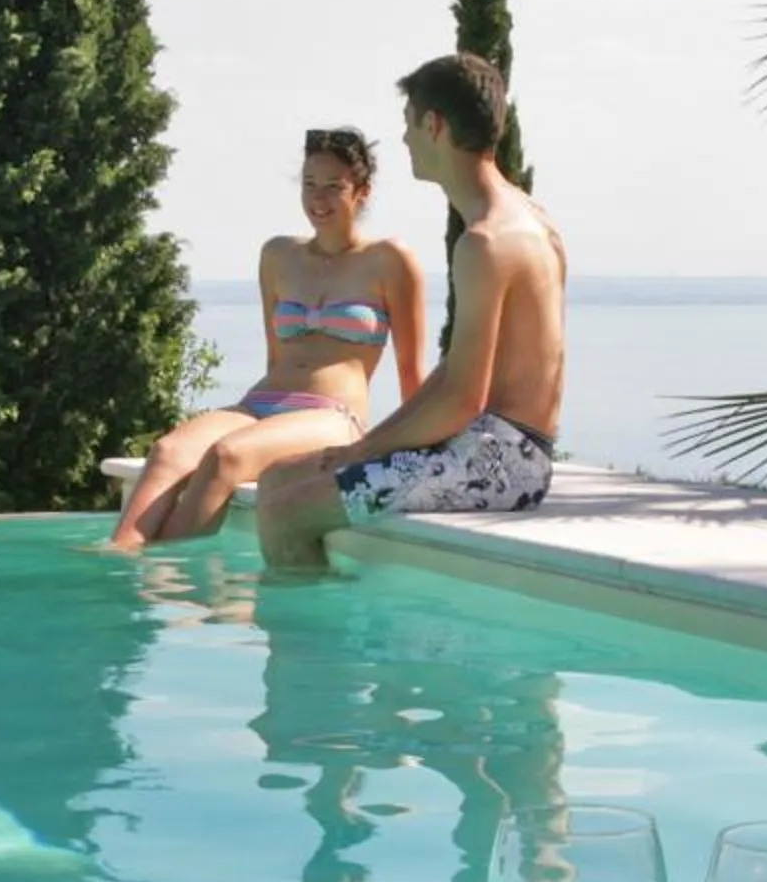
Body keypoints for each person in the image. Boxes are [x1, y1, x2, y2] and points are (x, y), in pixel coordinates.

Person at [256, 52, 565, 569]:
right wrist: (372, 444)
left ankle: (313, 650)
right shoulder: (531, 217)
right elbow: (454, 378)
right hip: (501, 448)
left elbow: (464, 399)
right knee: (276, 478)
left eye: (408, 125)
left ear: (433, 125)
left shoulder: (485, 243)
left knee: (287, 514)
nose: (403, 141)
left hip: (502, 462)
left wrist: (363, 450)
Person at [103, 128, 425, 550]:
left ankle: (164, 580)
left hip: (333, 416)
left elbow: (411, 372)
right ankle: (117, 564)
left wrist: (414, 454)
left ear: (361, 191)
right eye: (309, 184)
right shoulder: (278, 255)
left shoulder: (389, 260)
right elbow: (276, 356)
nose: (318, 198)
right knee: (166, 452)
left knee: (226, 457)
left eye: (333, 186)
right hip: (261, 405)